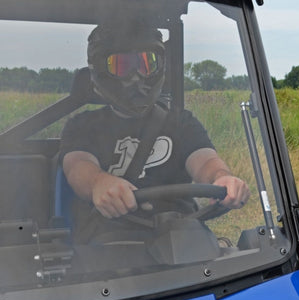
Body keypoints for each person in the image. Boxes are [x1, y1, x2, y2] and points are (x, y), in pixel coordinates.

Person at [60, 20, 250, 243]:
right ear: (99, 72)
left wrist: (223, 178)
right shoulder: (83, 125)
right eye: (121, 65)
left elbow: (205, 160)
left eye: (146, 64)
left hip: (180, 235)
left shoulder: (180, 122)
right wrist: (98, 182)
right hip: (110, 241)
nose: (136, 76)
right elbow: (77, 166)